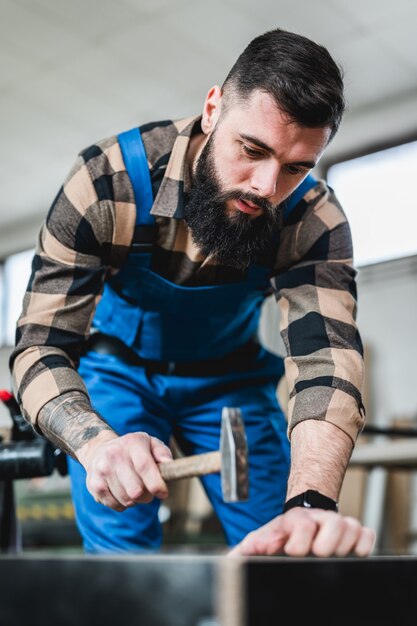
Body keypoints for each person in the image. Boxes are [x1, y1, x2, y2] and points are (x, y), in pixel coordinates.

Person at [10, 27, 376, 557]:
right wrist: (95, 443)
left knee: (283, 549)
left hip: (231, 383)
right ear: (212, 109)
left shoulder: (312, 219)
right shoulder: (105, 185)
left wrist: (312, 502)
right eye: (252, 149)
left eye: (295, 167)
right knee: (123, 567)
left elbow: (327, 360)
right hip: (118, 376)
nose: (265, 187)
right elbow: (40, 345)